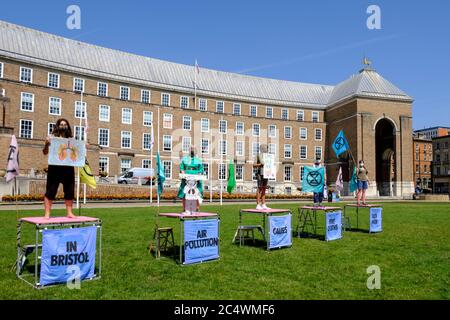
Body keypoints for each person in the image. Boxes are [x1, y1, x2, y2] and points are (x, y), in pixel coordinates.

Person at [42, 118, 76, 219]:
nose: (63, 126)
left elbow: (76, 153)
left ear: (68, 127)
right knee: (50, 190)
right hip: (54, 168)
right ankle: (47, 213)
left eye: (65, 125)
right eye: (61, 124)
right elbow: (44, 152)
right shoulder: (51, 137)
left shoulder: (71, 139)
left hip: (68, 167)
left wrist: (82, 148)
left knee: (69, 190)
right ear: (57, 126)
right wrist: (47, 144)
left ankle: (69, 212)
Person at [177, 146, 204, 213]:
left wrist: (198, 176)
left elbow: (200, 170)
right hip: (186, 178)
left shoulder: (198, 160)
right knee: (184, 192)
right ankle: (184, 208)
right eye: (191, 148)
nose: (192, 150)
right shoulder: (184, 159)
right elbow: (182, 168)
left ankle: (197, 208)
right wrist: (184, 175)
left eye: (193, 149)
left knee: (197, 192)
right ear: (189, 150)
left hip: (196, 179)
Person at [254, 144, 270, 210]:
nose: (266, 149)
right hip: (260, 174)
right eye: (265, 148)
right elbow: (254, 165)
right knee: (260, 188)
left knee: (264, 188)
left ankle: (263, 204)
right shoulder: (258, 155)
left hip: (266, 173)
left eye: (267, 148)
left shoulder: (268, 156)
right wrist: (260, 164)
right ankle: (258, 204)